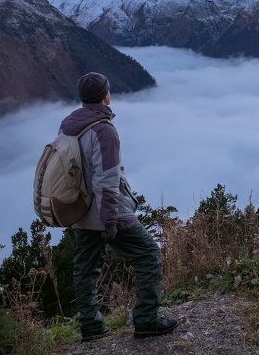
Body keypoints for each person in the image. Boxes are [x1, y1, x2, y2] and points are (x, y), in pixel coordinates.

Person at [60, 72, 177, 342]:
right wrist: (110, 220)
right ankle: (146, 319)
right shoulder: (104, 130)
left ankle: (91, 326)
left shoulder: (67, 126)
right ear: (106, 95)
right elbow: (107, 179)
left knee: (85, 269)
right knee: (148, 255)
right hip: (108, 211)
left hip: (80, 210)